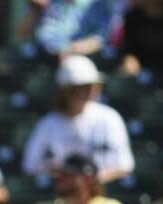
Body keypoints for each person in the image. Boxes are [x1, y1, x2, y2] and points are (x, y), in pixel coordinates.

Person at [22, 55, 134, 185]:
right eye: (82, 86)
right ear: (65, 91)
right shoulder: (48, 124)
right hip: (62, 196)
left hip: (102, 194)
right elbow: (30, 167)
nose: (90, 91)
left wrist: (90, 182)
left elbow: (125, 166)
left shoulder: (109, 117)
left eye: (92, 86)